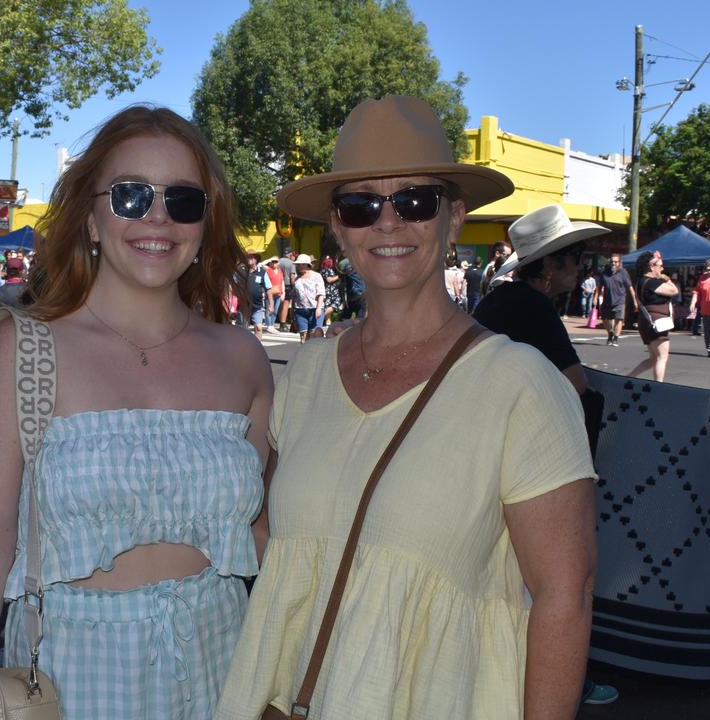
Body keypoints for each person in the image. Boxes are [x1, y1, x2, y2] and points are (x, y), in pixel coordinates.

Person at [215, 95, 597, 720]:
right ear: (338, 228)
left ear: (453, 218)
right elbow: (274, 545)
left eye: (415, 201)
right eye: (361, 206)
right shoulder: (305, 375)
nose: (387, 223)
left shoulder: (520, 384)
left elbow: (565, 595)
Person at [0, 105, 273, 720]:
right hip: (74, 677)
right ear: (91, 218)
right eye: (129, 195)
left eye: (183, 199)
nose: (158, 217)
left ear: (205, 223)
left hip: (227, 661)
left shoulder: (243, 359)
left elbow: (260, 535)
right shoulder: (23, 349)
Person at [472, 203, 617, 706]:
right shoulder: (530, 307)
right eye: (575, 261)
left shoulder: (499, 301)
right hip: (527, 465)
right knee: (561, 582)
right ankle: (565, 683)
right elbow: (573, 387)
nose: (580, 272)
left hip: (487, 452)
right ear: (550, 266)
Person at [627, 251, 679, 382]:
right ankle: (658, 386)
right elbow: (674, 290)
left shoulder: (640, 281)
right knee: (662, 357)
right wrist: (667, 279)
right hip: (656, 321)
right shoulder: (651, 282)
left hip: (647, 321)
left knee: (653, 358)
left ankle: (629, 377)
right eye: (660, 266)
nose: (662, 269)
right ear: (651, 266)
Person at [600, 253, 637, 346]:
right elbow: (600, 285)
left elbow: (630, 287)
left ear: (619, 262)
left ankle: (615, 338)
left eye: (615, 262)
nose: (613, 263)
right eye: (612, 261)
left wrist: (635, 301)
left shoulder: (623, 272)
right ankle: (610, 333)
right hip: (607, 300)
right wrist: (596, 297)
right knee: (604, 318)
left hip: (620, 300)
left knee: (619, 319)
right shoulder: (605, 272)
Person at [290, 253, 325, 342]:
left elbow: (321, 293)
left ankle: (316, 354)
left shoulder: (316, 276)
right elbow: (294, 297)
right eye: (297, 264)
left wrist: (318, 308)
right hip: (300, 310)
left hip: (314, 309)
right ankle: (304, 354)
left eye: (299, 264)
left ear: (306, 264)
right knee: (303, 337)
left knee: (315, 334)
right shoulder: (297, 279)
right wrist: (292, 313)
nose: (297, 266)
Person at [246, 252, 272, 338]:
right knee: (243, 329)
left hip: (257, 305)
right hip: (243, 306)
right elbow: (232, 285)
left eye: (251, 257)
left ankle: (257, 348)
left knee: (258, 328)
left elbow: (268, 288)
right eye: (247, 257)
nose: (249, 259)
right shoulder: (241, 270)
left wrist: (271, 304)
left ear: (256, 259)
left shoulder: (262, 272)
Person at [319, 255, 345, 331]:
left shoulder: (323, 270)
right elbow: (329, 280)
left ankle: (328, 324)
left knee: (328, 306)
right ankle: (320, 317)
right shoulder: (328, 270)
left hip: (327, 290)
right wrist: (338, 276)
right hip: (331, 291)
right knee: (335, 305)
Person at [263, 256, 284, 333]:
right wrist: (269, 259)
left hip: (278, 293)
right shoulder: (268, 270)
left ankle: (272, 325)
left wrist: (283, 292)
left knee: (275, 310)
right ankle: (269, 325)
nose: (274, 263)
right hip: (270, 293)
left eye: (276, 262)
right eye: (273, 261)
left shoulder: (280, 271)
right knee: (269, 309)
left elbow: (282, 282)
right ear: (270, 262)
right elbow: (260, 264)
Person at [278, 249, 297, 331]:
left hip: (277, 284)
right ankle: (283, 323)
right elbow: (292, 277)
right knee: (286, 304)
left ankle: (276, 321)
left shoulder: (278, 261)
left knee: (278, 304)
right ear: (290, 254)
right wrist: (294, 286)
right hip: (287, 285)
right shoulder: (291, 263)